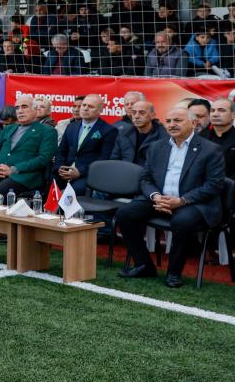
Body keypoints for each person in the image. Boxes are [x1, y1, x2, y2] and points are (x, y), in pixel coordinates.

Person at [115, 106, 225, 287]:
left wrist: (181, 201)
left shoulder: (211, 150)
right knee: (125, 214)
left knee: (181, 222)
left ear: (193, 122)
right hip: (160, 198)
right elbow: (145, 177)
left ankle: (174, 273)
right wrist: (155, 196)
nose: (172, 125)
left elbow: (214, 185)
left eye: (178, 121)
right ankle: (144, 265)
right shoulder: (157, 146)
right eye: (168, 121)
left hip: (193, 202)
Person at [0, 95, 58, 198]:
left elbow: (43, 158)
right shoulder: (8, 128)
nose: (20, 111)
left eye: (24, 107)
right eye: (17, 108)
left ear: (35, 110)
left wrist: (13, 169)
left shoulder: (48, 131)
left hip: (23, 176)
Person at [53, 95, 119, 195]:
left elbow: (104, 158)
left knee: (71, 193)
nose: (85, 108)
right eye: (84, 105)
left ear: (100, 110)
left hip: (87, 175)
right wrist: (60, 168)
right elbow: (61, 151)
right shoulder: (71, 126)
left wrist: (80, 171)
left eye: (91, 106)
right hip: (64, 172)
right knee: (48, 187)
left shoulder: (108, 130)